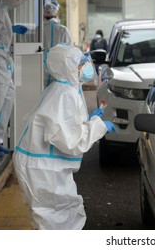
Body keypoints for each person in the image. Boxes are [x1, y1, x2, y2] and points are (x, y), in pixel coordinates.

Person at [13, 44, 116, 230]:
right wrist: (98, 127)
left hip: (44, 165)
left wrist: (90, 121)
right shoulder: (64, 93)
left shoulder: (64, 87)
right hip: (43, 169)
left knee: (64, 214)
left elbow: (67, 126)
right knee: (54, 218)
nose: (86, 67)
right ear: (67, 67)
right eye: (81, 63)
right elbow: (70, 141)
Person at [0, 0, 29, 159]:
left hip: (3, 60)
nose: (17, 0)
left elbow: (1, 30)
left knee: (8, 97)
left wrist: (12, 29)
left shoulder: (1, 7)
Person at [43, 2, 73, 87]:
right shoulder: (63, 30)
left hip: (41, 70)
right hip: (58, 71)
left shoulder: (38, 30)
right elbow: (69, 51)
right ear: (56, 15)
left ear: (44, 15)